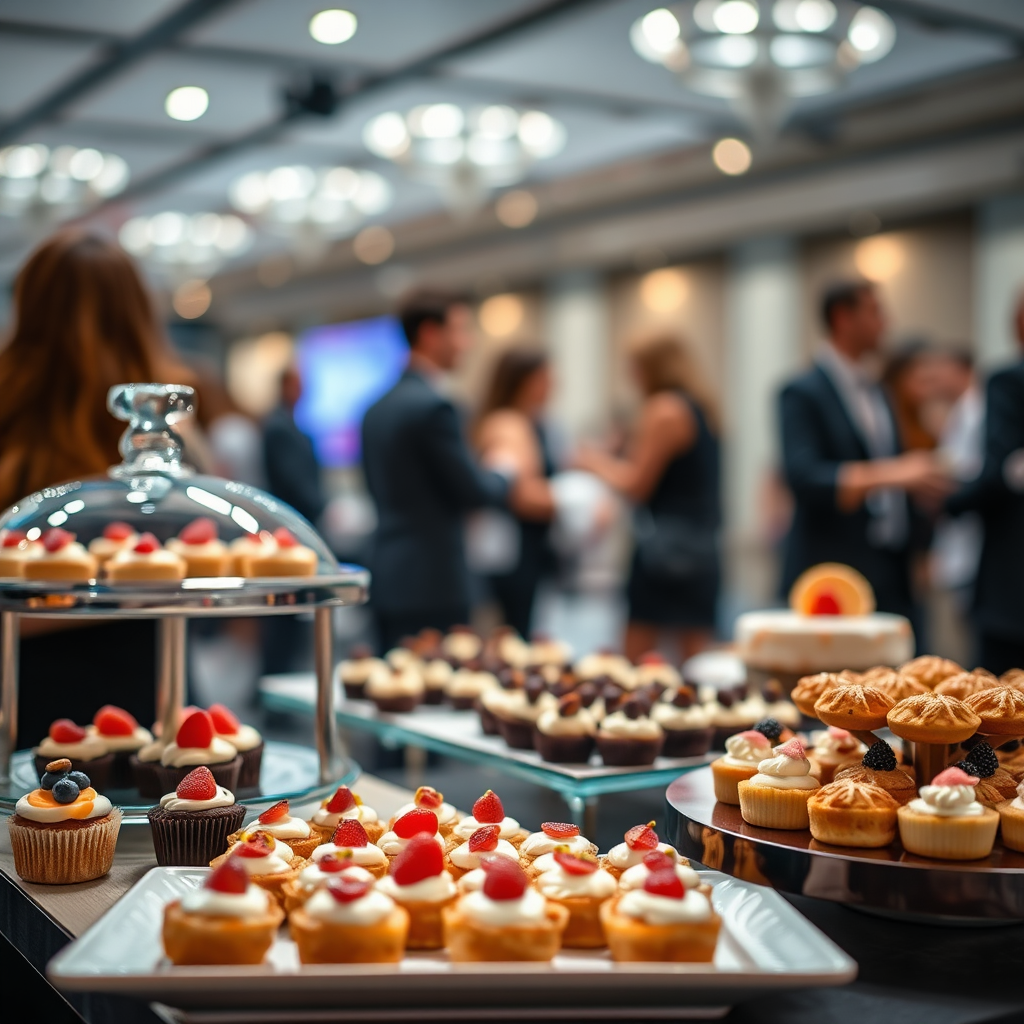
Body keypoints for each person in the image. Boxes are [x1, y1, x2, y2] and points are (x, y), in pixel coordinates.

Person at [0, 230, 192, 743]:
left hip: (21, 676)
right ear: (136, 312)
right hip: (147, 680)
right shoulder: (172, 427)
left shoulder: (8, 410)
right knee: (163, 814)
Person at [778, 281, 951, 623]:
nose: (886, 322)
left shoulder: (879, 391)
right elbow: (805, 478)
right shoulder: (801, 392)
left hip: (893, 567)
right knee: (839, 679)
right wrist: (898, 472)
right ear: (843, 318)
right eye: (875, 312)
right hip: (835, 572)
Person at [361, 291, 520, 651]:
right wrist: (505, 469)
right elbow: (473, 491)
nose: (467, 343)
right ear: (431, 333)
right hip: (433, 580)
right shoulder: (434, 407)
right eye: (460, 330)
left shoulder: (376, 408)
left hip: (388, 573)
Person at [577, 334, 721, 663]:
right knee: (696, 665)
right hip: (700, 549)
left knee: (635, 662)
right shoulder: (701, 407)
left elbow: (635, 484)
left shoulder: (664, 409)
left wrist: (591, 461)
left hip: (664, 554)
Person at [947, 294, 1024, 674]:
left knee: (996, 711)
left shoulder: (1010, 381)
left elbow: (998, 475)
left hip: (1012, 582)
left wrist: (948, 501)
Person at [473, 349, 556, 637]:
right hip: (513, 552)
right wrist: (573, 502)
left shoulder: (531, 423)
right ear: (524, 381)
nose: (553, 385)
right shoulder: (509, 424)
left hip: (522, 549)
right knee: (513, 636)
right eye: (545, 378)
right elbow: (521, 495)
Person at [262, 366, 325, 525]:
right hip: (293, 516)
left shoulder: (288, 421)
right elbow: (293, 479)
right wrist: (318, 506)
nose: (302, 390)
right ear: (285, 386)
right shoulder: (279, 427)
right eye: (297, 385)